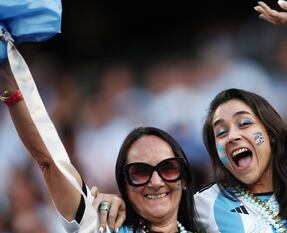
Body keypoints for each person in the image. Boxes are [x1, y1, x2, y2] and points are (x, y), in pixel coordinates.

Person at [0, 56, 199, 232]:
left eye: (168, 168)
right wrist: (9, 86)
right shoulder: (102, 227)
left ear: (184, 179)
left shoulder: (212, 225)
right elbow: (48, 160)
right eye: (140, 172)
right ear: (124, 186)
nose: (156, 182)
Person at [192, 1, 287, 232]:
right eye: (221, 132)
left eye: (244, 123)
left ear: (271, 133)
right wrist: (114, 204)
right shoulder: (203, 204)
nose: (232, 136)